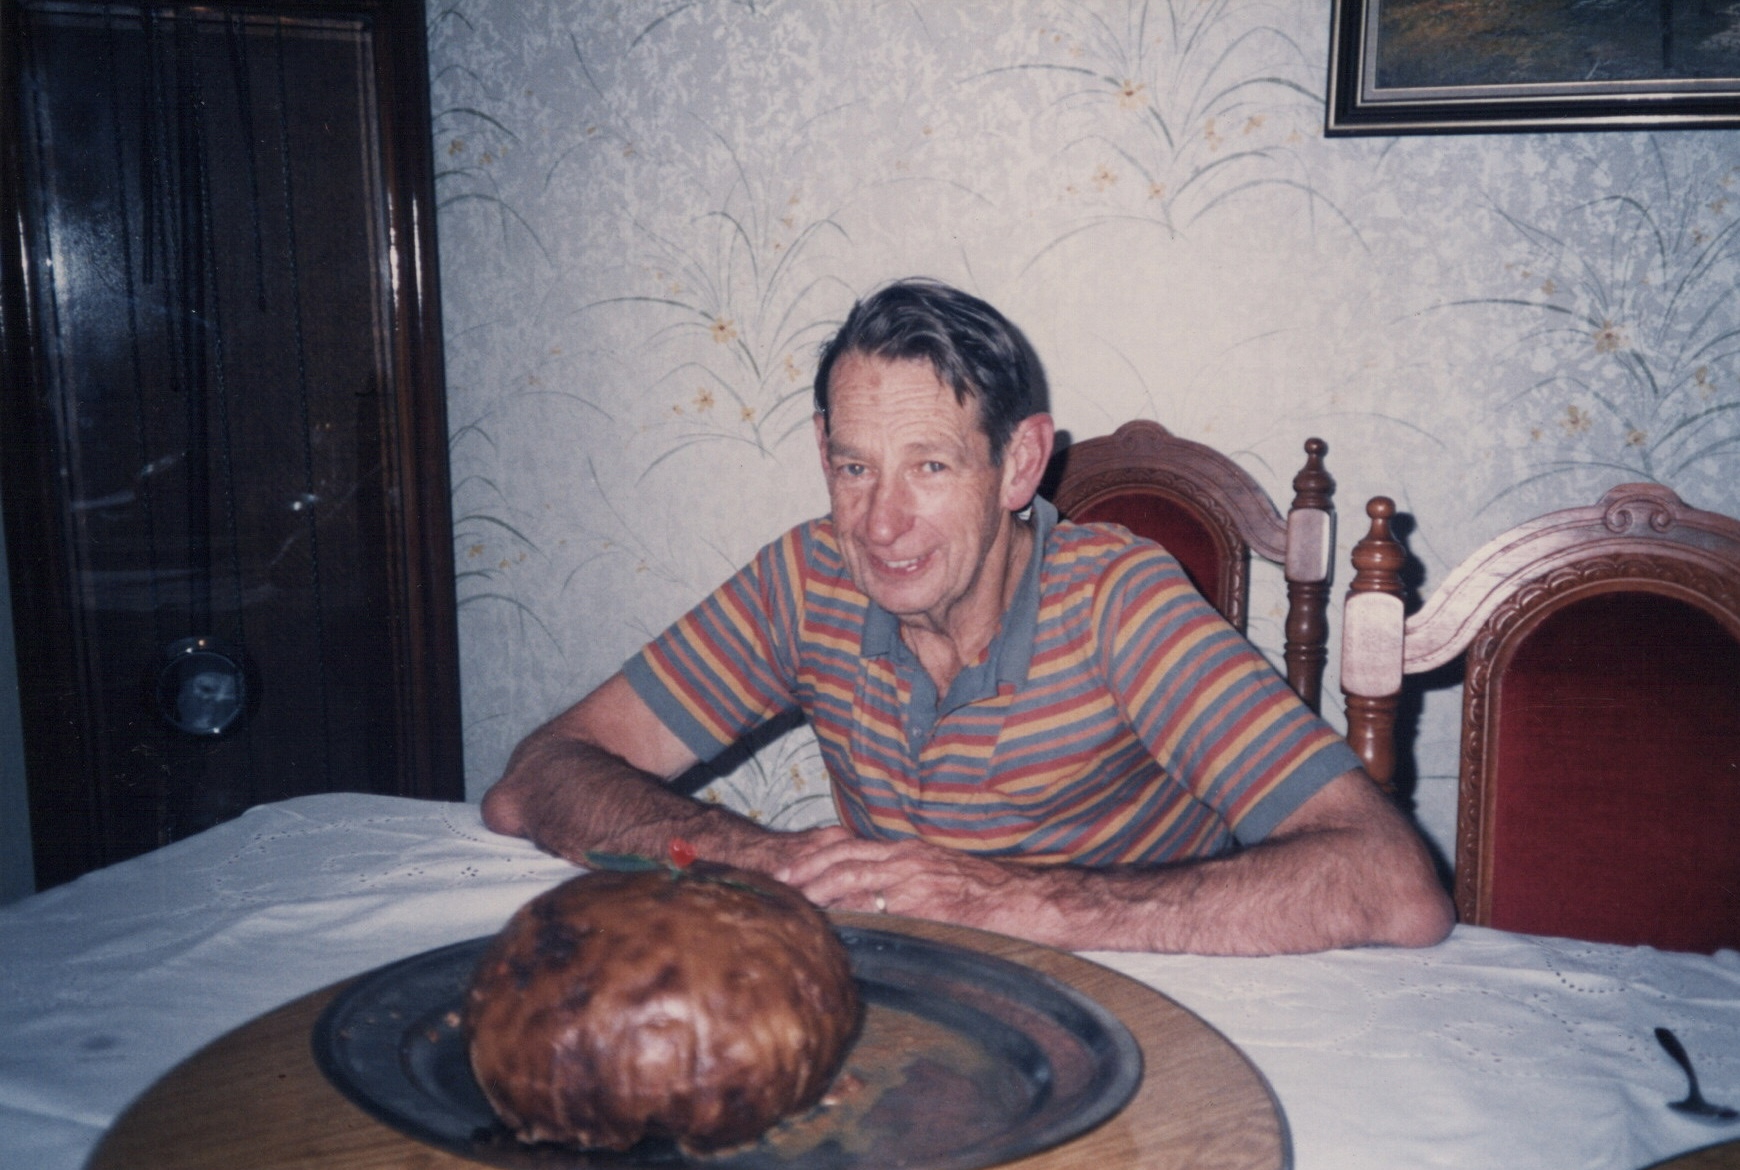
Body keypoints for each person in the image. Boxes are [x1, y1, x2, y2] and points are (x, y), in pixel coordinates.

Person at [482, 278, 1454, 955]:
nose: (882, 523)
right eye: (855, 467)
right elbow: (536, 780)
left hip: (1150, 1016)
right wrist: (750, 855)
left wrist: (1011, 898)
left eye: (931, 467)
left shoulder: (1122, 602)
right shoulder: (807, 577)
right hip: (913, 1019)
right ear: (823, 449)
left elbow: (1393, 885)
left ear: (1020, 465)